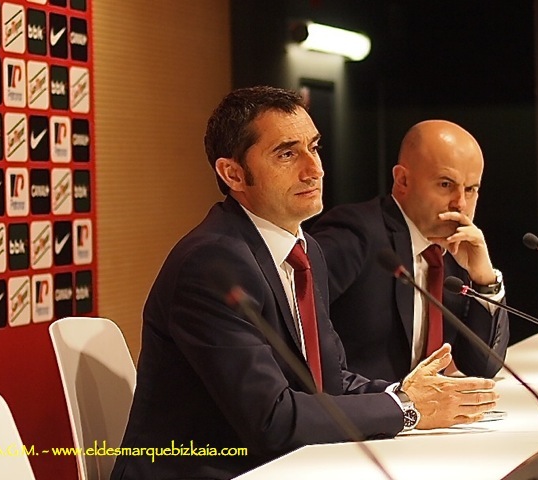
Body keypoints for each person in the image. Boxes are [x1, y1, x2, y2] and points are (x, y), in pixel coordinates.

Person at [111, 89, 498, 480]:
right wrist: (406, 409)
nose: (314, 169)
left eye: (314, 147)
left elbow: (330, 380)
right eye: (286, 154)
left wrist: (409, 393)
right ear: (233, 174)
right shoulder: (212, 264)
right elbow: (271, 418)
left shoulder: (304, 249)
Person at [310, 119, 510, 382]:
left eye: (471, 189)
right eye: (446, 184)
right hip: (362, 405)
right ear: (402, 180)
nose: (460, 203)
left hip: (427, 406)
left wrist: (484, 279)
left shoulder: (457, 251)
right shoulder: (356, 233)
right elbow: (296, 326)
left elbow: (483, 366)